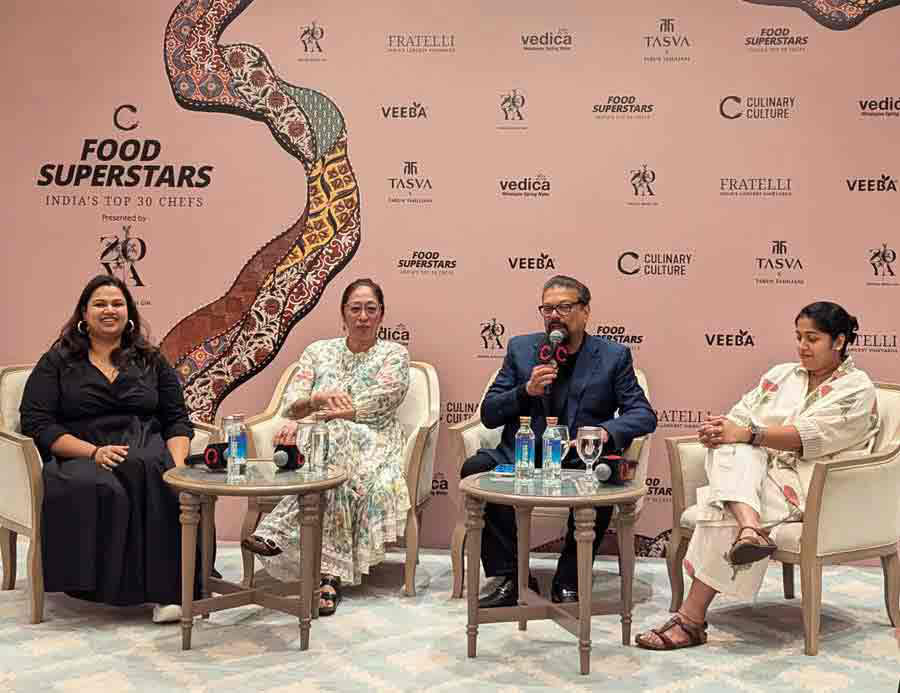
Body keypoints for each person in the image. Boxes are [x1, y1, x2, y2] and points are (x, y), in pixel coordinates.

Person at [636, 301, 879, 650]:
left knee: (721, 505)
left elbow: (811, 436)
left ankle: (691, 618)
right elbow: (740, 417)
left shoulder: (856, 388)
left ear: (838, 341)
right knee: (731, 451)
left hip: (810, 483)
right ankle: (750, 529)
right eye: (798, 337)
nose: (802, 346)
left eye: (812, 338)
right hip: (753, 471)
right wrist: (723, 432)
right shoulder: (781, 375)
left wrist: (748, 433)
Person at [461, 275, 657, 608]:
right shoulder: (522, 350)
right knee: (475, 468)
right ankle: (512, 577)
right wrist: (526, 391)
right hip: (524, 455)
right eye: (548, 308)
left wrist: (604, 432)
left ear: (585, 312)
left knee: (604, 482)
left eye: (564, 307)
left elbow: (643, 414)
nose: (555, 315)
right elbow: (490, 413)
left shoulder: (613, 356)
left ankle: (569, 579)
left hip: (579, 458)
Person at [19, 275, 195, 623]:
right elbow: (37, 423)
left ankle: (170, 591)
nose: (109, 310)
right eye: (100, 304)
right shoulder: (58, 362)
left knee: (152, 469)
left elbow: (177, 419)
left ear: (129, 311)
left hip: (146, 447)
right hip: (80, 453)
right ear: (83, 314)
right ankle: (130, 590)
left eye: (117, 303)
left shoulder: (151, 359)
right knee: (102, 486)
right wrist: (92, 452)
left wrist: (175, 465)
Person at [242, 278, 411, 616]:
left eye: (370, 309)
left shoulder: (395, 354)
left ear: (381, 315)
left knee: (341, 433)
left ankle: (278, 528)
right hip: (321, 446)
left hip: (374, 442)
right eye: (355, 308)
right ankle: (330, 576)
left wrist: (342, 412)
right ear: (343, 314)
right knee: (335, 447)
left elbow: (386, 398)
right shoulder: (318, 352)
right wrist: (315, 399)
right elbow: (292, 404)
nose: (362, 316)